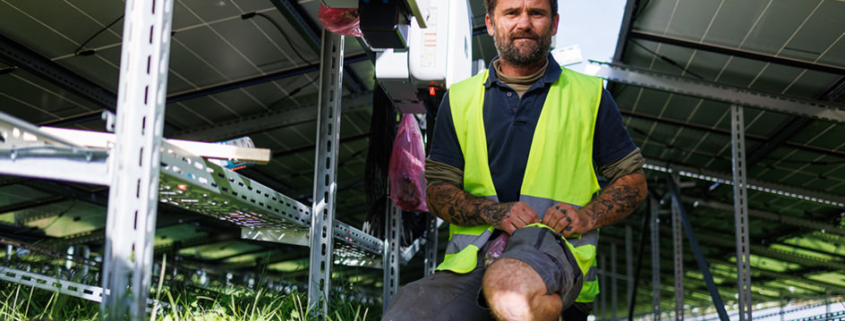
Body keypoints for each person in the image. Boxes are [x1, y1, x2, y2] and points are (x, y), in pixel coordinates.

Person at [381, 0, 647, 320]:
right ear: (491, 24)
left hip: (554, 248)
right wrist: (493, 212)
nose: (524, 23)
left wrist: (587, 217)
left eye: (536, 13)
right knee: (406, 311)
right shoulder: (461, 97)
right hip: (471, 261)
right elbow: (438, 194)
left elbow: (632, 181)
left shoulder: (589, 95)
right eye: (511, 13)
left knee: (510, 290)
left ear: (554, 23)